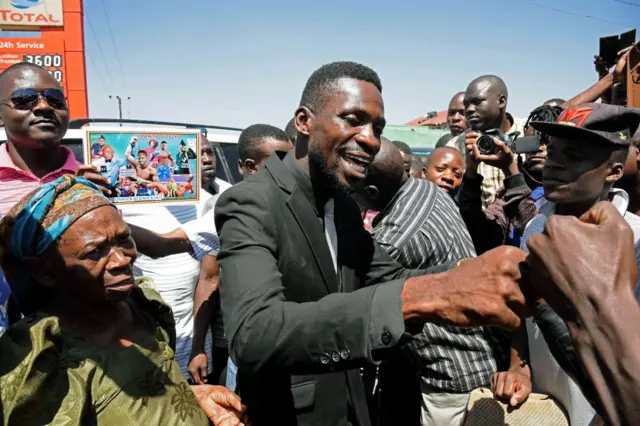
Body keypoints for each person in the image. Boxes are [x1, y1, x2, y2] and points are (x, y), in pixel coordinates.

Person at [214, 61, 529, 425]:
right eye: (353, 119)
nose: (370, 138)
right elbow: (254, 334)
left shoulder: (343, 205)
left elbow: (387, 275)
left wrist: (470, 273)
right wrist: (425, 296)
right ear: (304, 121)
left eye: (377, 127)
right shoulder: (252, 201)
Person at [0, 175, 249, 426]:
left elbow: (134, 400)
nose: (121, 260)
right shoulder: (39, 356)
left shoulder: (143, 305)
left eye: (123, 239)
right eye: (94, 252)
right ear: (44, 271)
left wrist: (189, 397)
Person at [353, 140, 522, 426]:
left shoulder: (395, 237)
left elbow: (357, 294)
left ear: (371, 192)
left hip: (450, 372)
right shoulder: (426, 190)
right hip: (477, 353)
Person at [519, 103, 640, 426]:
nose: (553, 164)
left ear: (613, 171)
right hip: (542, 401)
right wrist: (519, 366)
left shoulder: (634, 240)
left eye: (573, 157)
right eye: (553, 151)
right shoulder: (534, 227)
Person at [525, 201, 640, 426]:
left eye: (577, 162)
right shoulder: (537, 223)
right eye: (554, 161)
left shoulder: (630, 234)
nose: (556, 167)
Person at [458, 104, 563, 254]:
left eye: (546, 142)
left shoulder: (567, 193)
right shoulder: (509, 190)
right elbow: (482, 232)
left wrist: (510, 171)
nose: (538, 148)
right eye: (532, 142)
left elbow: (538, 236)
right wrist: (471, 172)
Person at [446, 75, 525, 207]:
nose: (469, 110)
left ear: (501, 101)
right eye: (466, 105)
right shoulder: (455, 146)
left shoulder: (529, 133)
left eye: (477, 102)